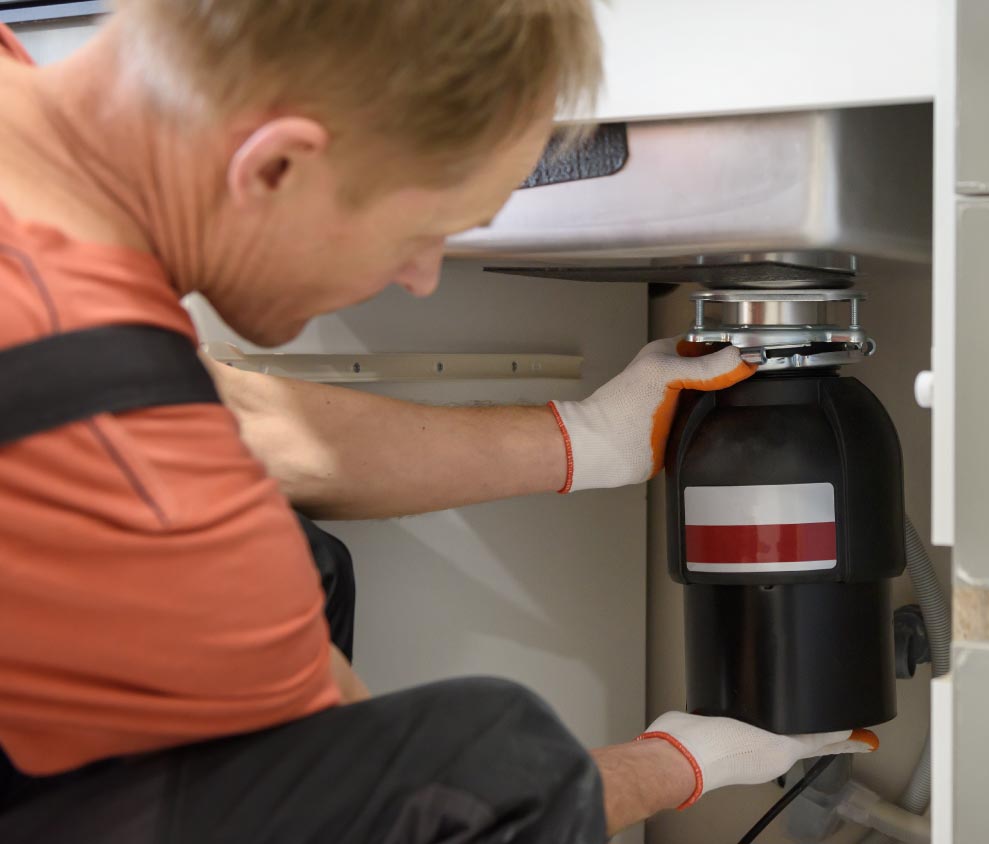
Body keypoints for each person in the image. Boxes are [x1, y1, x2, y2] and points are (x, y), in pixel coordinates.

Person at [0, 3, 875, 842]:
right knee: (481, 761)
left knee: (307, 566)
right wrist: (677, 767)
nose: (421, 277)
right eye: (421, 230)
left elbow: (223, 415)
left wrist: (581, 438)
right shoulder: (117, 442)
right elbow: (398, 814)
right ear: (276, 166)